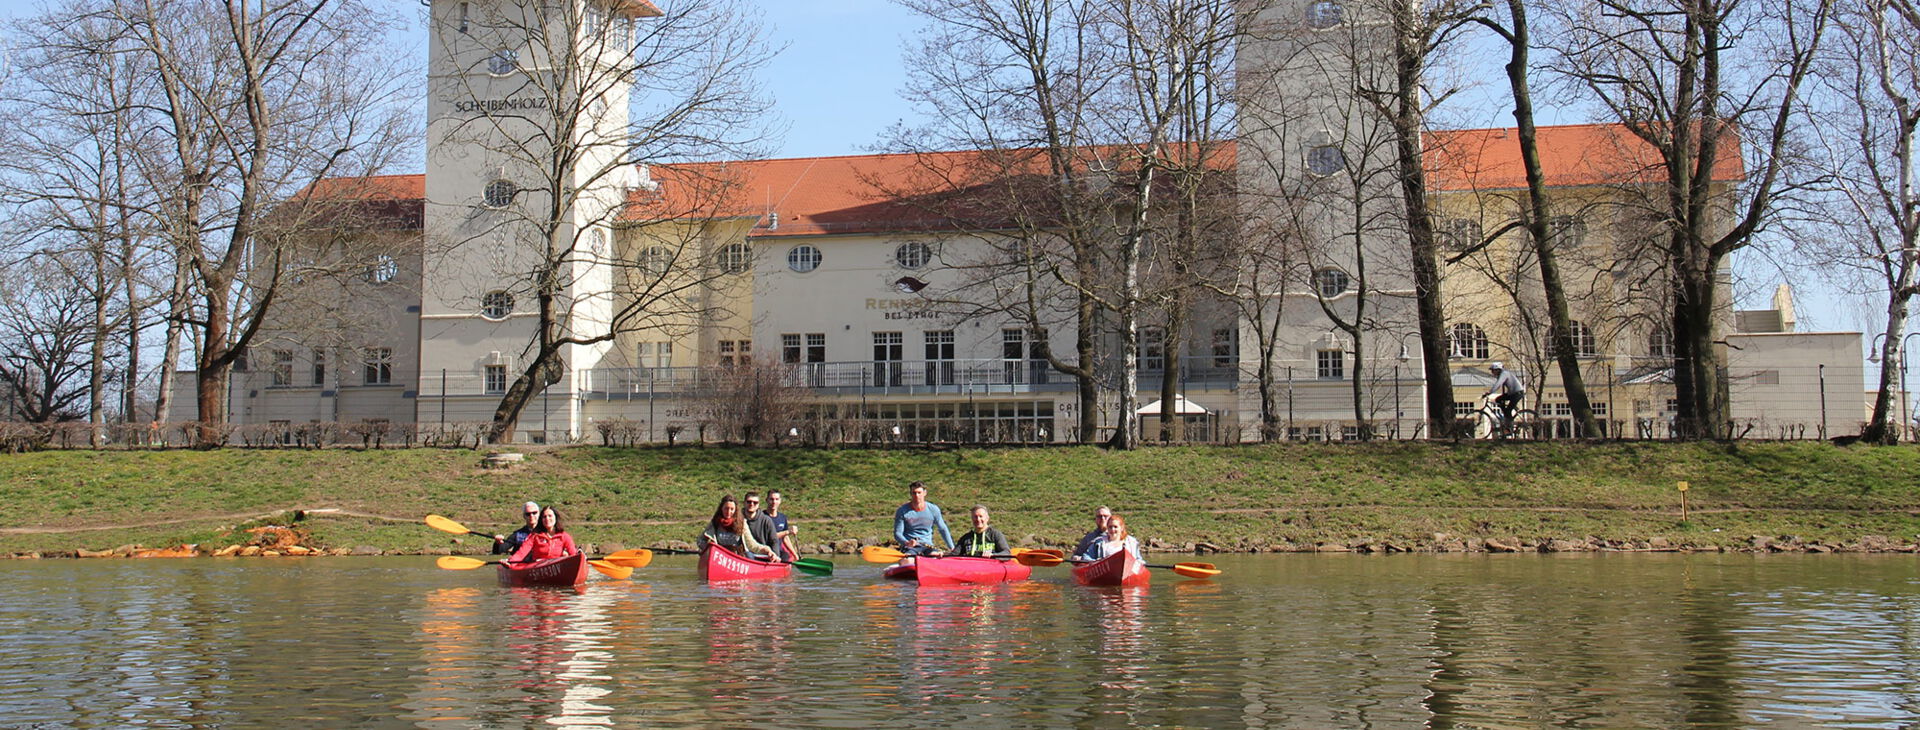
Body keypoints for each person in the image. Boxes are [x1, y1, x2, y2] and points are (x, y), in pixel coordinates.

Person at [699, 494, 778, 560]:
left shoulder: (741, 523)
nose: (729, 512)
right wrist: (708, 549)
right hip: (719, 558)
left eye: (732, 509)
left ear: (735, 510)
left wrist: (768, 551)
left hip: (737, 559)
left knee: (750, 556)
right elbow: (700, 540)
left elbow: (752, 545)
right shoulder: (714, 523)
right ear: (721, 509)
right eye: (726, 508)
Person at [892, 480, 954, 558]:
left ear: (925, 493)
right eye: (914, 493)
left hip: (928, 546)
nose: (917, 496)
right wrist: (906, 542)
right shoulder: (902, 511)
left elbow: (943, 529)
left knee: (936, 555)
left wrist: (951, 547)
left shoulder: (933, 509)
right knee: (909, 557)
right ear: (911, 494)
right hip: (910, 547)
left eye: (919, 493)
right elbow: (898, 533)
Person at [507, 506, 579, 564]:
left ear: (555, 518)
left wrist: (580, 558)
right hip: (537, 566)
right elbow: (521, 553)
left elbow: (573, 554)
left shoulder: (564, 536)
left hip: (556, 565)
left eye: (550, 516)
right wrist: (511, 562)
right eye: (544, 517)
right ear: (541, 520)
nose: (547, 519)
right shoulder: (535, 536)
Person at [1075, 513, 1141, 562]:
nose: (1112, 529)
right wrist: (1095, 561)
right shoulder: (1099, 542)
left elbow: (1139, 560)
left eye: (1115, 527)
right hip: (1104, 570)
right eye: (1110, 527)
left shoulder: (1132, 542)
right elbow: (1086, 556)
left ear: (1122, 528)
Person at [1486, 361, 1526, 430]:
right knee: (1498, 399)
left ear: (1497, 369)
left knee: (1508, 410)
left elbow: (1498, 384)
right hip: (1512, 393)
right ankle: (1505, 417)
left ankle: (1509, 427)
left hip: (1517, 394)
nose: (1492, 372)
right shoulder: (1502, 374)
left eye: (1493, 370)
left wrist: (1490, 392)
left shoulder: (1504, 374)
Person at [743, 491, 781, 561]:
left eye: (755, 502)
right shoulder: (738, 519)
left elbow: (774, 540)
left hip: (764, 557)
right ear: (744, 503)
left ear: (758, 505)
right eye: (749, 502)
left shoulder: (766, 520)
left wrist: (775, 555)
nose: (752, 504)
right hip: (743, 557)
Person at [766, 490, 799, 562]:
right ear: (767, 500)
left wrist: (795, 554)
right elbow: (769, 537)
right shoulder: (762, 517)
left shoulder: (782, 517)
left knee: (786, 557)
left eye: (776, 499)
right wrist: (788, 531)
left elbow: (785, 538)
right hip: (766, 552)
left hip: (779, 552)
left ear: (780, 501)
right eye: (771, 499)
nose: (774, 502)